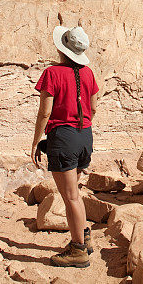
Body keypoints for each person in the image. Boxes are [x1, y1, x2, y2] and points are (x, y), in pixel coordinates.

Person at [31, 24, 99, 268]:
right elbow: (93, 106)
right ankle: (84, 236)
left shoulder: (53, 73)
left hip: (64, 137)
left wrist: (37, 140)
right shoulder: (89, 73)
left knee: (70, 196)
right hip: (85, 136)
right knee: (75, 194)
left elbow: (45, 112)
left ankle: (78, 249)